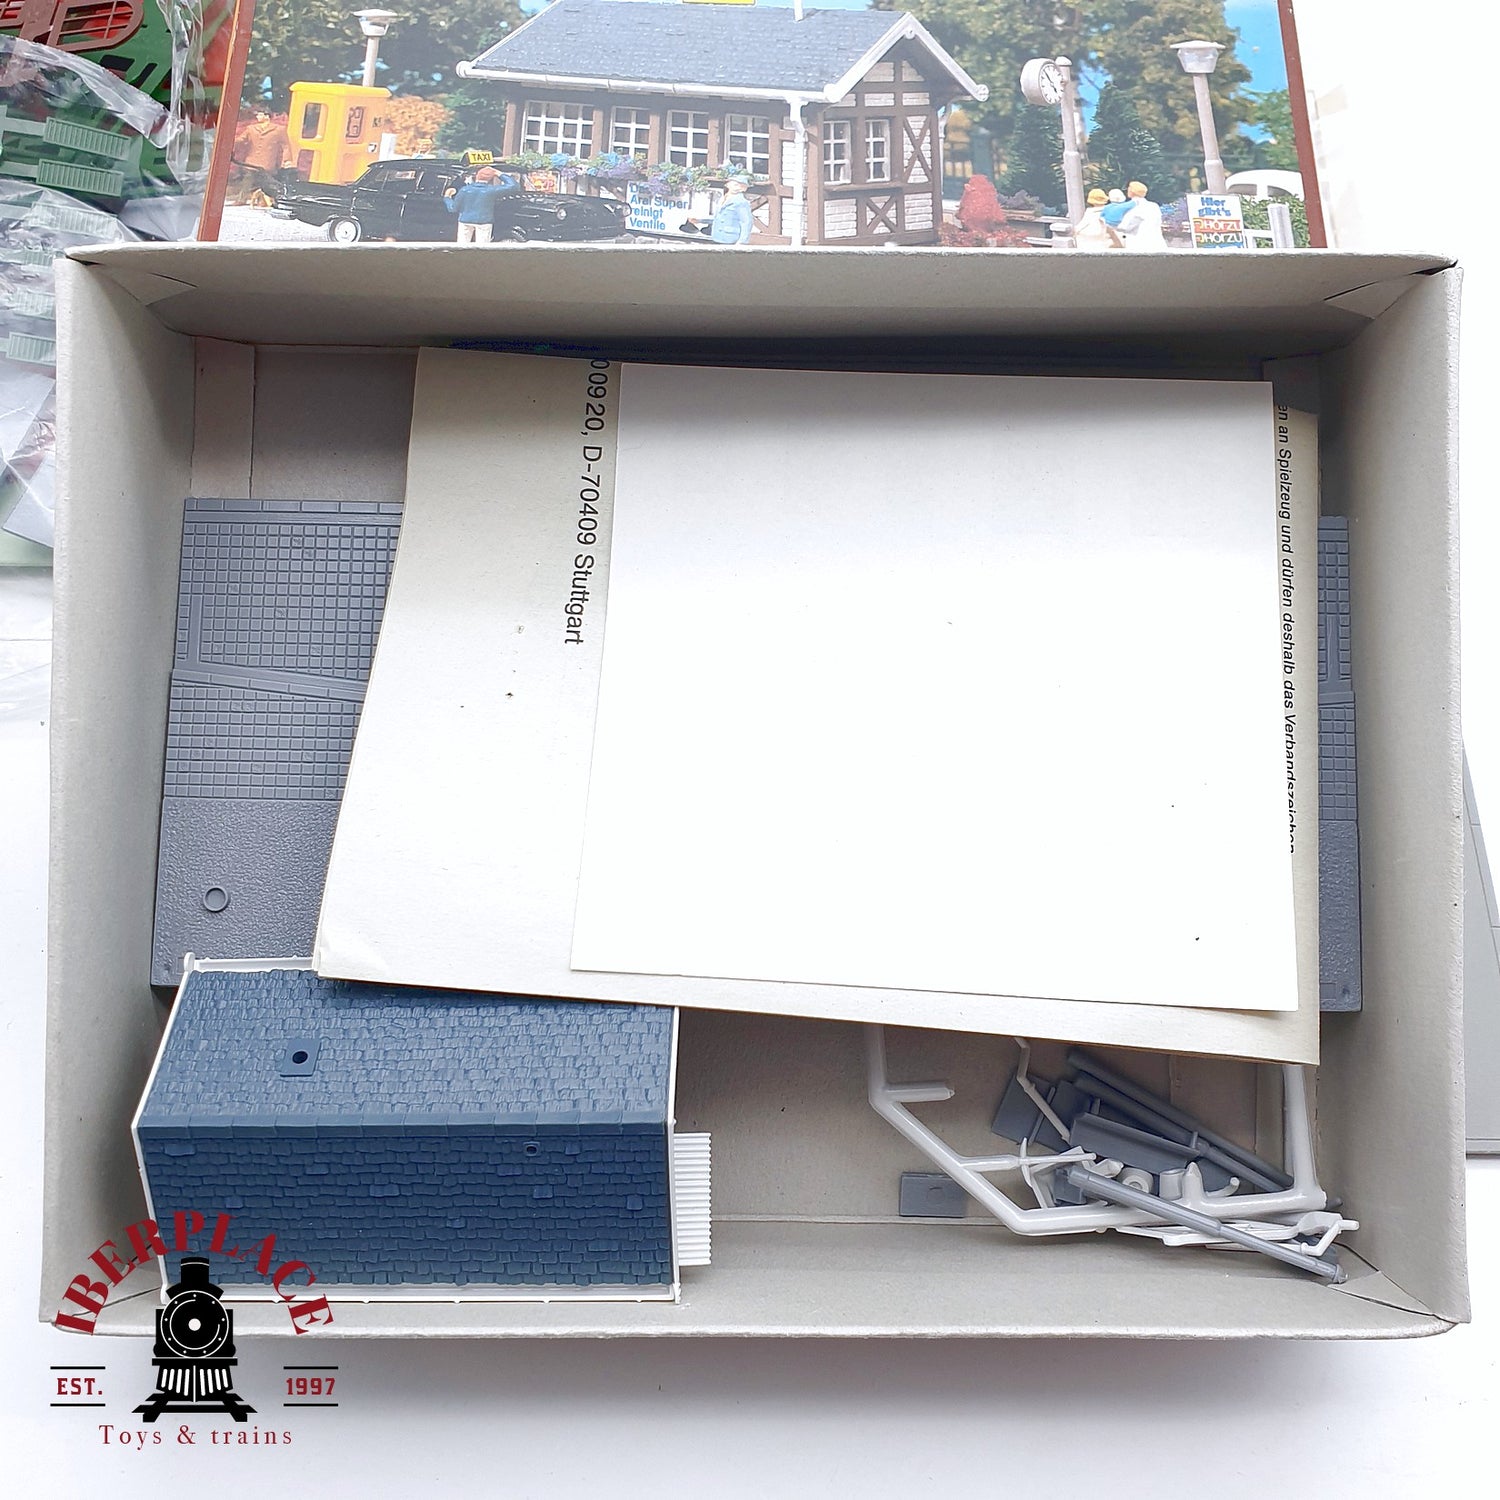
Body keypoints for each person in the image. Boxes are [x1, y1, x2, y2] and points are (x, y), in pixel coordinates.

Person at [443, 165, 516, 244]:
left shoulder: (464, 190)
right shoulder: (491, 190)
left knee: (462, 245)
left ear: (477, 176)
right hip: (484, 221)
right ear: (491, 178)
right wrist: (498, 173)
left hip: (465, 220)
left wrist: (447, 197)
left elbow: (453, 208)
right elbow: (513, 185)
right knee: (482, 246)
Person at [232, 107, 290, 204]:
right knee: (247, 181)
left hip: (268, 161)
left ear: (267, 116)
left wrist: (287, 160)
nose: (257, 117)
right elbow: (241, 139)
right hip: (252, 161)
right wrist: (230, 142)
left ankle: (266, 200)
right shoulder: (251, 128)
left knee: (266, 182)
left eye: (260, 114)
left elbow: (286, 146)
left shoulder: (279, 130)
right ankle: (241, 199)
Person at [1117, 180, 1167, 251]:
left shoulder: (1130, 207)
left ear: (1131, 191)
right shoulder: (1154, 206)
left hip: (1137, 245)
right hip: (1156, 244)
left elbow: (1126, 226)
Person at [1072, 187, 1122, 251]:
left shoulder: (1089, 214)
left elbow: (1077, 230)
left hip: (1088, 250)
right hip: (1108, 250)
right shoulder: (1112, 212)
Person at [709, 177, 754, 245]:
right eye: (735, 185)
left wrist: (742, 241)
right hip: (717, 236)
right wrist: (700, 220)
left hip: (730, 238)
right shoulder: (722, 198)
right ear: (727, 184)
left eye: (741, 186)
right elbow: (717, 217)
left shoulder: (741, 202)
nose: (738, 188)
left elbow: (746, 222)